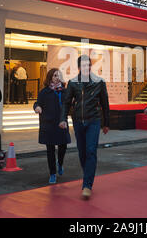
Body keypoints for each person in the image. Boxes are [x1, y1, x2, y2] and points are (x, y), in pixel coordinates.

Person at [59, 55, 110, 199]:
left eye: (88, 65)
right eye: (83, 65)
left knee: (91, 151)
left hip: (93, 121)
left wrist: (106, 123)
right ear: (79, 67)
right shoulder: (73, 83)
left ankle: (87, 185)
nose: (86, 68)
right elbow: (67, 103)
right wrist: (62, 119)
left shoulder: (99, 82)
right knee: (82, 153)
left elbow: (105, 104)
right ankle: (88, 172)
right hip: (78, 121)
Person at [34, 69, 71, 184]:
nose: (57, 77)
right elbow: (37, 103)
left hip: (61, 123)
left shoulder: (64, 91)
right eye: (55, 75)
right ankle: (52, 173)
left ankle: (60, 163)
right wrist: (37, 107)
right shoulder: (44, 92)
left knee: (63, 147)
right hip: (48, 124)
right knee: (50, 150)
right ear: (50, 77)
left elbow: (70, 105)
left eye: (59, 75)